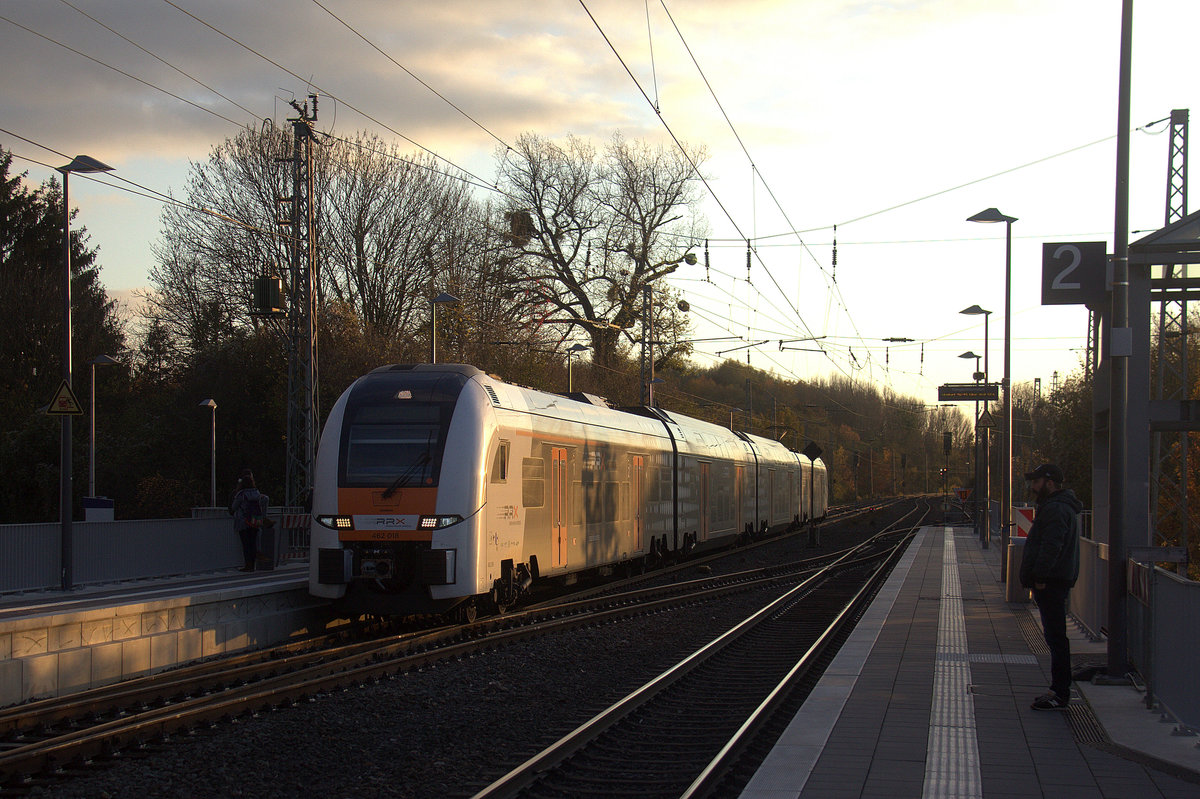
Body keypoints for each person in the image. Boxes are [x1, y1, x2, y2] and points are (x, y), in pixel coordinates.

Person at [1019, 463, 1083, 711]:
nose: (1033, 487)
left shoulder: (1056, 509)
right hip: (1055, 580)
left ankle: (1060, 692)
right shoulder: (1058, 507)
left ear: (1050, 483)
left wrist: (1041, 576)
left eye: (1036, 482)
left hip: (1052, 582)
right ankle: (1058, 689)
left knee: (1056, 638)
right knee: (1055, 636)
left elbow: (1051, 545)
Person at [229, 469, 265, 572]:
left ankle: (247, 565)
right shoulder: (256, 492)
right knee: (253, 543)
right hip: (254, 521)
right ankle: (253, 565)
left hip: (243, 521)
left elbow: (234, 507)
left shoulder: (241, 494)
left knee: (246, 544)